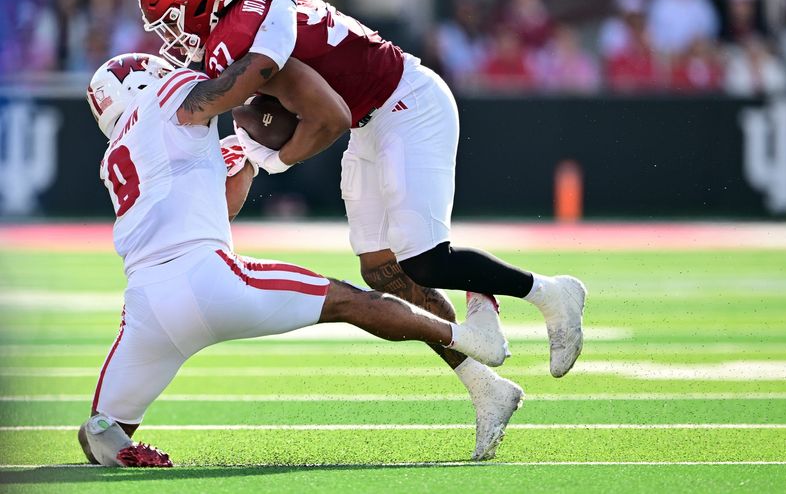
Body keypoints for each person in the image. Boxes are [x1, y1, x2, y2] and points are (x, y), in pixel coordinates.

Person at [138, 0, 587, 460]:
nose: (171, 37)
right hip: (371, 120)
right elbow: (275, 59)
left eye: (172, 20)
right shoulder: (246, 6)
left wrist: (266, 156)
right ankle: (487, 387)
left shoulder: (241, 32)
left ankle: (551, 293)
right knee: (382, 272)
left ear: (199, 1)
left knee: (425, 258)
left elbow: (322, 116)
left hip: (407, 104)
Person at [79, 52, 510, 467]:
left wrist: (243, 159)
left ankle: (118, 449)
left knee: (98, 428)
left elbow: (220, 207)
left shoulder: (114, 158)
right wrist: (275, 13)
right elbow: (246, 78)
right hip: (209, 277)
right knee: (352, 302)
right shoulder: (166, 94)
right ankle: (472, 341)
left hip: (147, 310)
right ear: (141, 81)